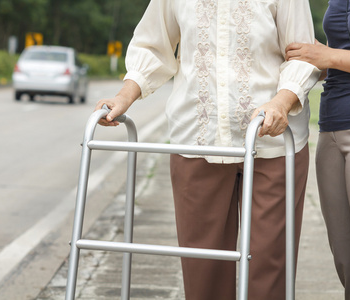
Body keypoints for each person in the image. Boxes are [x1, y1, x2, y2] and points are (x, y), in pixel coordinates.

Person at [96, 1, 320, 299]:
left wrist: (282, 101)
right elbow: (152, 44)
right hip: (197, 139)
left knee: (269, 270)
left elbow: (303, 55)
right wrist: (125, 96)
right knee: (203, 273)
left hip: (272, 143)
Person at [285, 1, 350, 299]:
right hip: (331, 128)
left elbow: (336, 55)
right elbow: (336, 56)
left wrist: (329, 55)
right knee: (346, 260)